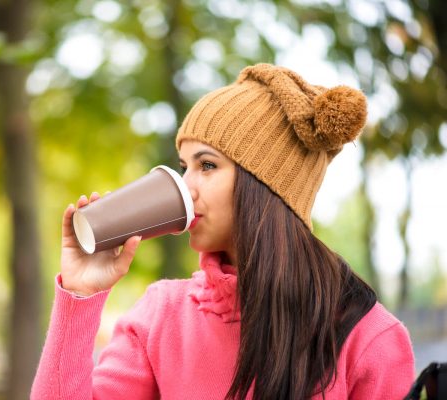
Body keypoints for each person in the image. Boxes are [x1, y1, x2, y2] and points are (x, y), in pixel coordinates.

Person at [30, 63, 415, 399]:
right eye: (184, 166)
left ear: (267, 186)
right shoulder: (161, 315)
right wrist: (80, 294)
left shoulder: (367, 337)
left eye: (208, 165)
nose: (186, 187)